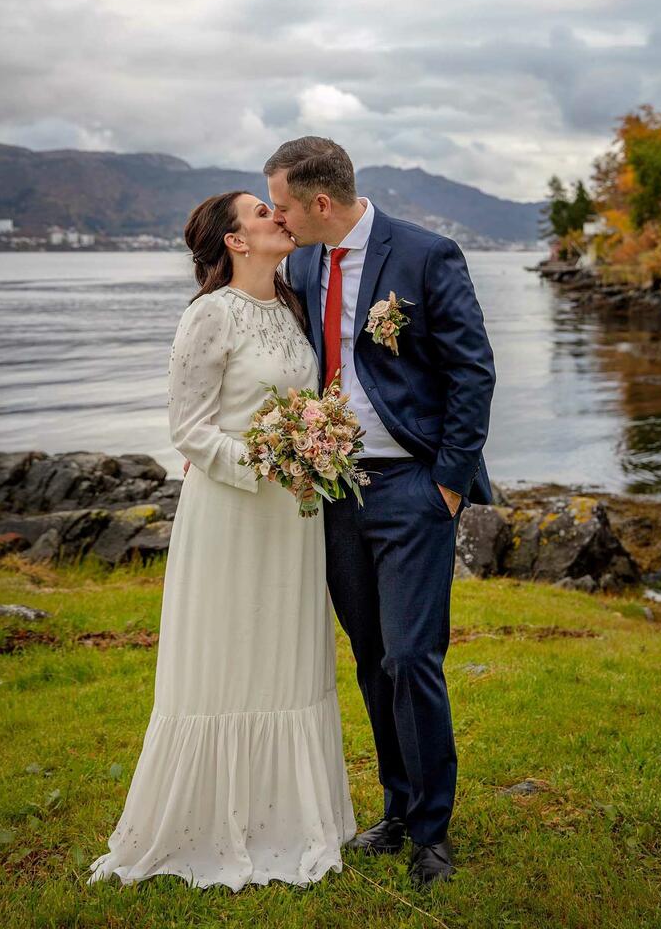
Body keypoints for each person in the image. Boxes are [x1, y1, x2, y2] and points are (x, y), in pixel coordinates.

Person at [86, 190, 356, 892]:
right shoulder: (209, 315)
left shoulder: (292, 307)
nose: (279, 217)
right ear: (235, 241)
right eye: (262, 213)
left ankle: (292, 818)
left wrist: (312, 453)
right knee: (229, 655)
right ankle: (209, 825)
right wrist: (270, 461)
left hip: (291, 519)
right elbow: (191, 429)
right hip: (234, 512)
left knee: (286, 656)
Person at [265, 136, 496, 888]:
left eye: (285, 206)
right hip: (336, 491)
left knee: (410, 660)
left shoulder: (427, 255)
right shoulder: (303, 263)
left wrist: (450, 484)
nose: (278, 218)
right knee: (370, 659)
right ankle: (397, 811)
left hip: (413, 487)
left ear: (320, 204)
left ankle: (433, 832)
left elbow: (472, 370)